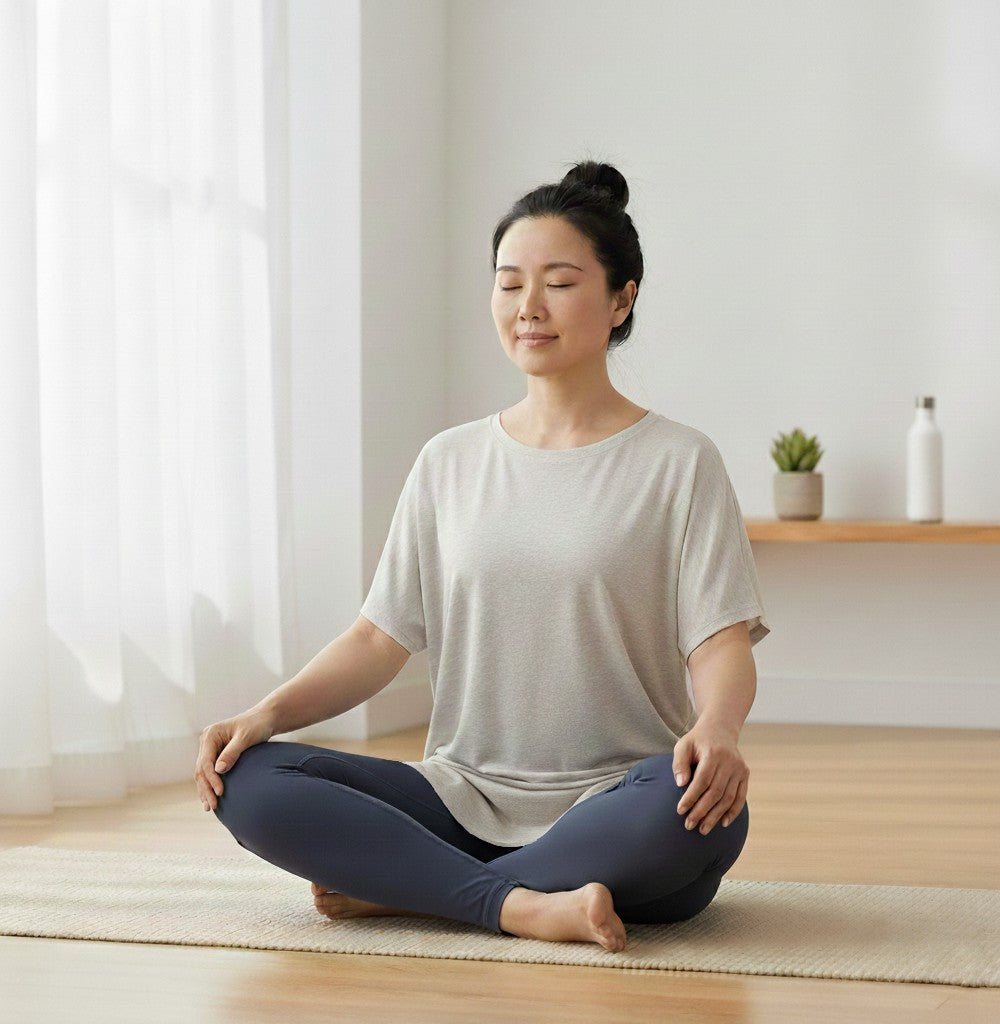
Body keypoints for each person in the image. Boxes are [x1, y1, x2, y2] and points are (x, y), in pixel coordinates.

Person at [195, 160, 770, 954]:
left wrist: (720, 729)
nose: (528, 307)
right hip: (457, 796)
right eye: (508, 284)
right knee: (250, 781)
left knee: (698, 811)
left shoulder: (679, 461)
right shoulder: (449, 460)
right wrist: (264, 715)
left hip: (614, 802)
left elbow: (720, 642)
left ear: (622, 298)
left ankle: (415, 887)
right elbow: (375, 640)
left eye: (559, 283)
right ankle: (527, 903)